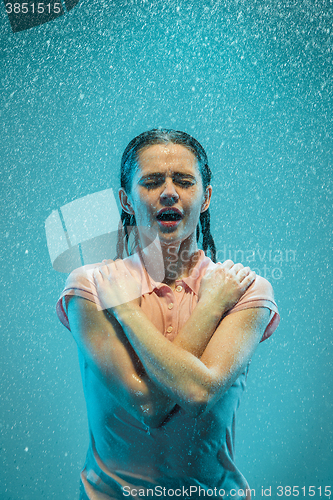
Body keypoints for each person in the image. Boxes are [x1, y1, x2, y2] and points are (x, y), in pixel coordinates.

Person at [56, 129, 280, 500]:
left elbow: (197, 391)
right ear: (126, 200)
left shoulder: (244, 289)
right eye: (151, 181)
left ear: (205, 197)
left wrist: (126, 309)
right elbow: (148, 405)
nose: (169, 191)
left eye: (184, 180)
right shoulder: (89, 286)